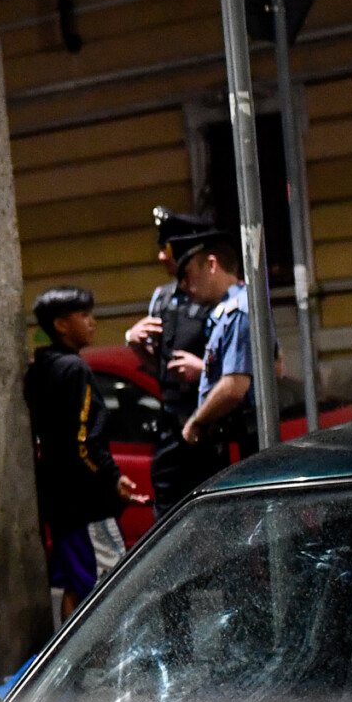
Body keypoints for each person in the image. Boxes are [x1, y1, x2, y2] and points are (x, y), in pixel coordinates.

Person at [24, 286, 147, 618]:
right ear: (61, 324)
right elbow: (83, 439)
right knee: (109, 583)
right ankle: (100, 664)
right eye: (84, 316)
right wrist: (112, 478)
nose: (92, 322)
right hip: (85, 505)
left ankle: (76, 663)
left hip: (61, 500)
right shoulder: (74, 370)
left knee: (75, 586)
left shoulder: (42, 367)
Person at [126, 207, 224, 514]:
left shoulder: (218, 295)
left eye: (167, 248)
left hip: (209, 425)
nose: (161, 256)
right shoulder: (162, 298)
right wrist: (134, 340)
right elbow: (161, 371)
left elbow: (240, 369)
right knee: (168, 513)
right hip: (171, 426)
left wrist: (203, 371)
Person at [171, 227, 258, 459]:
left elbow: (233, 388)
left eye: (188, 274)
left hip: (241, 440)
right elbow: (276, 366)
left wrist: (196, 420)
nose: (183, 285)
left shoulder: (237, 312)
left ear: (211, 265)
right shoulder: (232, 309)